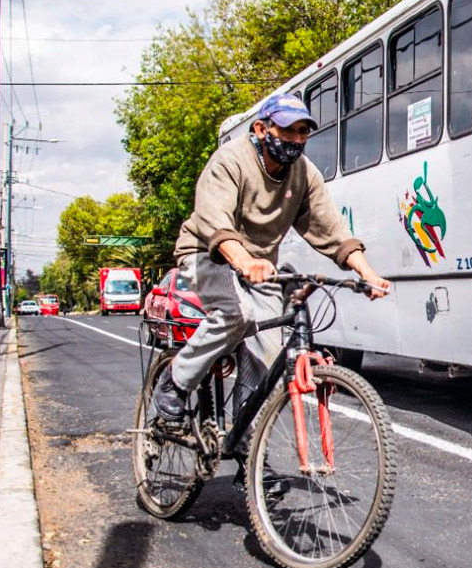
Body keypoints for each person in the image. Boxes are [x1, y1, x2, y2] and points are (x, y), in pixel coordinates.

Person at [152, 92, 390, 464]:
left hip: (259, 265)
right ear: (262, 129)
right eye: (288, 130)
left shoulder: (304, 173)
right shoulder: (230, 160)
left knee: (269, 346)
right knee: (237, 315)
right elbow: (214, 219)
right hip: (207, 252)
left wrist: (367, 272)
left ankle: (248, 442)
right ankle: (176, 382)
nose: (296, 140)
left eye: (303, 132)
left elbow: (330, 228)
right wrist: (242, 258)